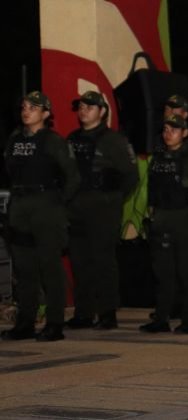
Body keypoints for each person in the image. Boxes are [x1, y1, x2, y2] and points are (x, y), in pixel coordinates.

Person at [1, 91, 80, 341]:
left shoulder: (54, 141)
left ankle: (55, 324)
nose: (26, 111)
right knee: (24, 270)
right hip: (20, 206)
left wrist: (57, 204)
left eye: (33, 107)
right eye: (24, 106)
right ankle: (25, 323)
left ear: (46, 114)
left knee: (50, 268)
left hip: (46, 206)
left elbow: (73, 178)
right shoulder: (14, 140)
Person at [65, 91, 139, 330]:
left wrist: (112, 198)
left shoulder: (114, 140)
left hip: (103, 206)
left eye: (90, 106)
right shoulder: (72, 138)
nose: (83, 110)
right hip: (76, 207)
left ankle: (107, 313)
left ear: (102, 111)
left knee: (103, 261)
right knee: (79, 261)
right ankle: (83, 313)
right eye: (81, 106)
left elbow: (130, 176)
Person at [139, 114, 188, 334]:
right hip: (162, 216)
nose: (168, 133)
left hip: (185, 217)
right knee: (163, 272)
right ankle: (161, 318)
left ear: (185, 133)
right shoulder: (159, 157)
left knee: (187, 271)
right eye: (165, 129)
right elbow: (152, 188)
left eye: (174, 129)